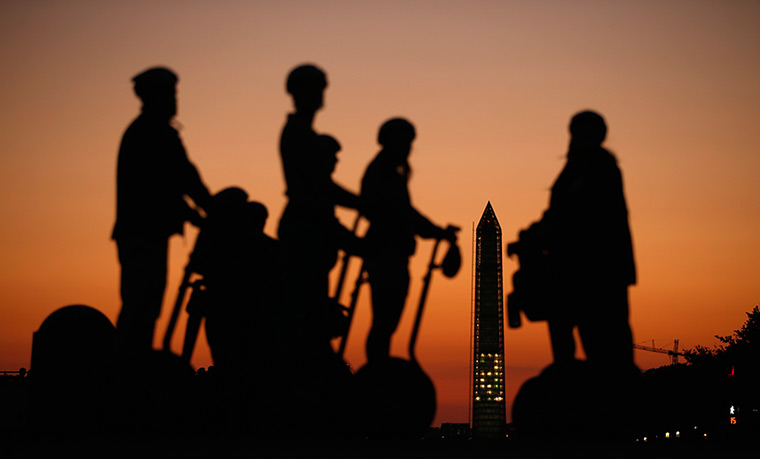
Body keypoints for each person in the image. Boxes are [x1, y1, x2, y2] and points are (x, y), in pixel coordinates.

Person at [112, 67, 211, 356]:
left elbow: (174, 183)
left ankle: (132, 361)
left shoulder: (146, 131)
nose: (174, 100)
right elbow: (179, 180)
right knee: (142, 302)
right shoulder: (154, 133)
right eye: (170, 94)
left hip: (143, 234)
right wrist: (209, 212)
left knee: (142, 303)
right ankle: (128, 367)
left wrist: (200, 213)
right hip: (144, 234)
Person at [542, 110, 636, 372]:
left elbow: (578, 212)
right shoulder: (578, 165)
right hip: (577, 266)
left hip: (596, 269)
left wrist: (546, 230)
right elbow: (560, 211)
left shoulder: (597, 166)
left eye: (587, 132)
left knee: (601, 338)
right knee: (572, 327)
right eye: (578, 131)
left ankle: (607, 390)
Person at [360, 118, 457, 362]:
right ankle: (377, 371)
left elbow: (405, 211)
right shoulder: (384, 171)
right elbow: (402, 211)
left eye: (409, 142)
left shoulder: (393, 170)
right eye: (402, 140)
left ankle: (379, 367)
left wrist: (432, 230)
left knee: (387, 321)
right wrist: (434, 231)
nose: (407, 146)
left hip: (393, 251)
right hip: (385, 251)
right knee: (385, 320)